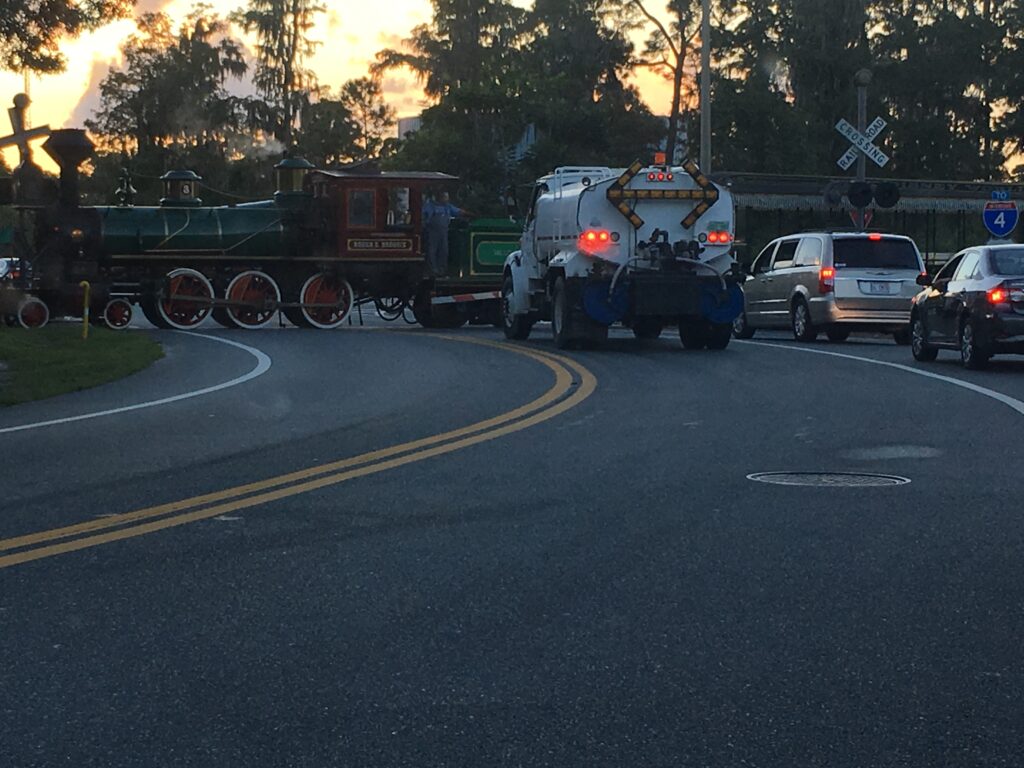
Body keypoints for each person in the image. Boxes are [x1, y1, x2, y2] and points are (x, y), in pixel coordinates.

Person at [422, 191, 470, 276]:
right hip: (432, 232)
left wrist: (468, 213)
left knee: (444, 251)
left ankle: (442, 270)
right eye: (445, 197)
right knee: (432, 251)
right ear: (440, 197)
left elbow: (458, 211)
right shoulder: (430, 206)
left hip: (444, 232)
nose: (447, 199)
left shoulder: (448, 207)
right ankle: (432, 270)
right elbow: (424, 216)